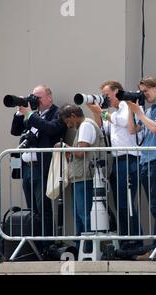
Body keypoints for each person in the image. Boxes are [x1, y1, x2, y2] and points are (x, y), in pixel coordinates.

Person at [86, 80, 144, 257]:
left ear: (117, 91)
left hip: (130, 159)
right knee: (120, 204)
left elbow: (124, 124)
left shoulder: (128, 105)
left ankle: (136, 240)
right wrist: (96, 111)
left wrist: (102, 112)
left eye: (107, 94)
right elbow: (103, 127)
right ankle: (127, 240)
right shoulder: (115, 111)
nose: (105, 98)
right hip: (118, 160)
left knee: (127, 202)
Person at [10, 85, 67, 248]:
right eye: (33, 97)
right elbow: (15, 131)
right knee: (32, 210)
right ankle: (35, 246)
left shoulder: (57, 113)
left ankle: (46, 245)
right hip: (27, 167)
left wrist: (30, 114)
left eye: (39, 98)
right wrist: (20, 111)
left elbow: (51, 129)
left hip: (42, 167)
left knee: (44, 209)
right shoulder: (31, 115)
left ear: (49, 98)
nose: (35, 101)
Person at [126, 76, 156, 260]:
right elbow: (132, 130)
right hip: (146, 161)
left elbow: (155, 128)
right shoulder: (148, 109)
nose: (144, 94)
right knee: (155, 207)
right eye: (142, 91)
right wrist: (130, 110)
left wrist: (139, 112)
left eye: (146, 91)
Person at [58, 104, 106, 250]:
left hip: (86, 177)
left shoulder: (85, 126)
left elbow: (81, 152)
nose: (69, 125)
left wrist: (64, 147)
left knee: (84, 214)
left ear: (73, 116)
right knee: (79, 214)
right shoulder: (86, 125)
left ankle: (87, 249)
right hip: (82, 176)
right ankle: (82, 248)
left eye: (68, 122)